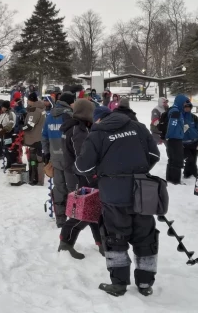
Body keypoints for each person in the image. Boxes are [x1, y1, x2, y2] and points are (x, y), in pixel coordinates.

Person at [76, 101, 161, 297]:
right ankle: (145, 283)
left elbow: (83, 167)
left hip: (113, 194)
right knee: (145, 237)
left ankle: (119, 283)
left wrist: (105, 171)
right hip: (143, 191)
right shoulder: (137, 127)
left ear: (98, 119)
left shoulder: (97, 134)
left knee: (115, 238)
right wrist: (137, 171)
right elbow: (153, 154)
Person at [58, 101, 105, 259]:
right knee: (82, 212)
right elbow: (83, 157)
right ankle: (65, 242)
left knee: (94, 209)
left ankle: (101, 242)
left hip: (77, 173)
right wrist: (92, 176)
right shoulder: (78, 129)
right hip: (80, 175)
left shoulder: (74, 126)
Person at [42, 92, 75, 227]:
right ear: (69, 102)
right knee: (73, 188)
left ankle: (60, 218)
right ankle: (74, 217)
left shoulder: (50, 116)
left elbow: (44, 136)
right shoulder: (70, 116)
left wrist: (46, 153)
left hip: (55, 157)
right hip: (69, 159)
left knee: (59, 187)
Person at [165, 94, 191, 184]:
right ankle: (175, 180)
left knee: (172, 159)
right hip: (175, 139)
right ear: (180, 102)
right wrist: (172, 136)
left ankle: (170, 178)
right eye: (184, 102)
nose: (185, 104)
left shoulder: (176, 110)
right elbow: (172, 125)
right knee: (177, 160)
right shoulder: (176, 111)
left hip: (174, 138)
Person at [23, 92, 47, 186]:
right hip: (41, 137)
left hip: (33, 138)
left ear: (30, 100)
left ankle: (34, 178)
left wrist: (22, 128)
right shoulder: (42, 109)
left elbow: (30, 126)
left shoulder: (34, 111)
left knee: (33, 160)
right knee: (39, 159)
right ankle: (40, 179)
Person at [179, 100, 198, 179]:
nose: (187, 108)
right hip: (183, 143)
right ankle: (195, 172)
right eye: (185, 107)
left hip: (194, 142)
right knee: (190, 159)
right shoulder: (178, 117)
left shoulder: (194, 117)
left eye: (189, 107)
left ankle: (187, 173)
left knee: (194, 159)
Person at [0, 101, 17, 169]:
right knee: (5, 149)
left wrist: (4, 130)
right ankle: (8, 163)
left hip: (9, 134)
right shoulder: (3, 114)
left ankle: (10, 163)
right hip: (4, 134)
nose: (1, 108)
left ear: (5, 107)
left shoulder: (11, 114)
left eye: (2, 107)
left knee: (8, 148)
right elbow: (0, 122)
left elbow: (11, 123)